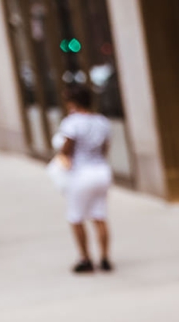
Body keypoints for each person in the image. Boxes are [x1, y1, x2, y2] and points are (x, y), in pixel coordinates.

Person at [54, 86, 113, 273]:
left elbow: (66, 148)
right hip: (101, 171)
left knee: (76, 217)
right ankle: (104, 257)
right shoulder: (102, 121)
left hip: (81, 173)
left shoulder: (72, 123)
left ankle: (85, 258)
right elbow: (105, 148)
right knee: (99, 215)